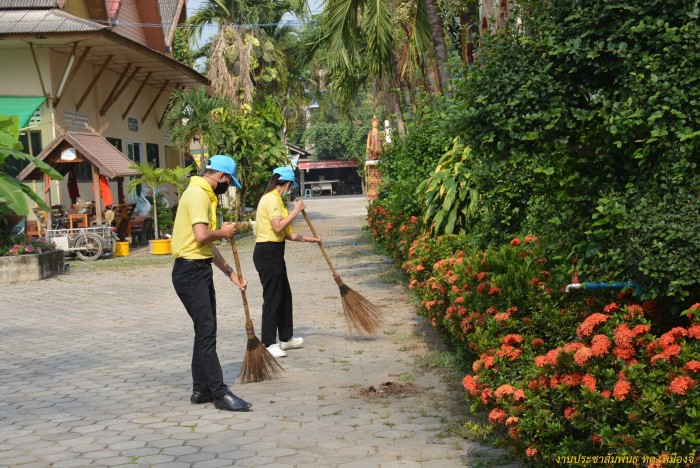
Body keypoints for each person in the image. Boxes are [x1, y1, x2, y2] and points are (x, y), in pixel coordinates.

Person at [171, 155, 252, 412]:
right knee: (206, 332)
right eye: (229, 181)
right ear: (221, 176)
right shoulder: (198, 194)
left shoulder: (203, 193)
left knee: (205, 330)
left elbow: (206, 244)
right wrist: (223, 232)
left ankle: (201, 390)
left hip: (198, 269)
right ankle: (220, 393)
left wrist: (230, 273)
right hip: (190, 272)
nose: (227, 186)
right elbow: (202, 235)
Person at [253, 167, 322, 358]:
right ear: (288, 184)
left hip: (275, 252)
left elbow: (287, 234)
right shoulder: (272, 199)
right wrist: (297, 211)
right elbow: (278, 227)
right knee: (273, 298)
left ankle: (286, 338)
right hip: (267, 253)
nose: (291, 190)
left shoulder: (277, 200)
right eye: (291, 187)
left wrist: (311, 239)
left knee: (285, 296)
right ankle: (268, 343)